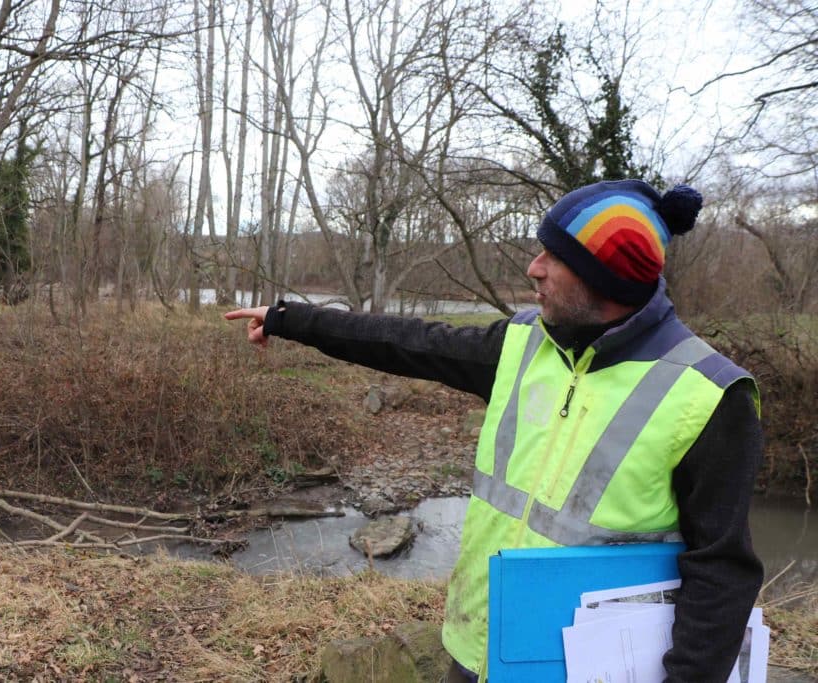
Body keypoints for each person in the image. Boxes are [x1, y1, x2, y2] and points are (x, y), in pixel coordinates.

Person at [225, 179, 763, 682]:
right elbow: (405, 341)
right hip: (478, 646)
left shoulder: (710, 394)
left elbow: (720, 572)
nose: (534, 268)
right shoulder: (523, 343)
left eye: (555, 256)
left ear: (607, 277)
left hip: (587, 669)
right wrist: (288, 319)